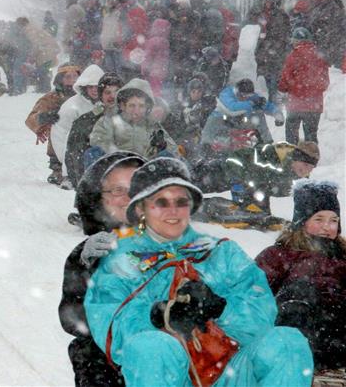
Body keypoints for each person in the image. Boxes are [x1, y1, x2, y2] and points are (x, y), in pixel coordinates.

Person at [84, 157, 314, 387]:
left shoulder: (223, 252)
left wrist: (222, 307)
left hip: (231, 372)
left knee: (287, 342)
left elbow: (262, 316)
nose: (172, 211)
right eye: (160, 202)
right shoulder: (121, 259)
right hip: (171, 374)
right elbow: (111, 329)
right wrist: (158, 315)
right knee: (151, 348)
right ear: (140, 208)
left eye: (181, 201)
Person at [60, 151, 146, 386]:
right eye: (117, 190)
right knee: (89, 350)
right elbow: (73, 319)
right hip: (112, 367)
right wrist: (87, 266)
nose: (129, 197)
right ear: (99, 199)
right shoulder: (89, 254)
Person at [256, 180, 346, 371]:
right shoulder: (278, 255)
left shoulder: (343, 257)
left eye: (334, 221)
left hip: (339, 336)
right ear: (301, 221)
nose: (327, 227)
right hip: (298, 334)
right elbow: (253, 292)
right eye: (319, 219)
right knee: (302, 290)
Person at [192, 140, 319, 214]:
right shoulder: (271, 155)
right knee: (190, 185)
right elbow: (236, 157)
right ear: (296, 158)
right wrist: (239, 179)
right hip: (220, 170)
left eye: (311, 168)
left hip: (233, 183)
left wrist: (261, 211)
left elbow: (266, 187)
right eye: (305, 164)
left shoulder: (299, 181)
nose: (306, 170)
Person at [86, 78, 178, 165]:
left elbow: (174, 151)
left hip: (146, 170)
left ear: (147, 108)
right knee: (93, 153)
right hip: (116, 168)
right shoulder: (109, 121)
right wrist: (119, 155)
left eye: (141, 106)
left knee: (167, 156)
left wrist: (161, 147)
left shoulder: (152, 125)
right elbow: (98, 141)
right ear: (122, 106)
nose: (136, 111)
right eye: (132, 106)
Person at [25, 63, 82, 186]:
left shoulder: (86, 96)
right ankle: (59, 169)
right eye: (68, 77)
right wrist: (44, 118)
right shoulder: (51, 98)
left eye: (75, 76)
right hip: (59, 142)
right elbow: (31, 118)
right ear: (60, 79)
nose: (72, 80)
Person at [63, 72, 124, 187]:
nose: (112, 96)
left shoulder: (135, 116)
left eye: (116, 92)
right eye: (107, 92)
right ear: (101, 96)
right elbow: (74, 154)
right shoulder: (86, 121)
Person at [199, 78, 282, 155]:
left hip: (241, 122)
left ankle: (266, 145)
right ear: (236, 91)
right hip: (223, 122)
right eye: (242, 96)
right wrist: (252, 103)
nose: (244, 98)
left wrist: (277, 114)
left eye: (247, 97)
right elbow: (232, 107)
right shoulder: (226, 93)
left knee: (259, 115)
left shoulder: (251, 98)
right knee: (212, 120)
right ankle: (205, 147)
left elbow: (267, 106)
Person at [278, 27, 330, 144]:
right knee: (311, 136)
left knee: (291, 135)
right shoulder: (319, 56)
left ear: (296, 41)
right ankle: (310, 159)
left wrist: (285, 88)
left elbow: (285, 79)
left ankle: (292, 158)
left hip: (295, 104)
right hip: (314, 105)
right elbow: (325, 83)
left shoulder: (293, 56)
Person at [255, 0, 290, 103]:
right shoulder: (262, 14)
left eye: (269, 1)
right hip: (264, 53)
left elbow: (281, 36)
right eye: (265, 0)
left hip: (275, 54)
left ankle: (272, 101)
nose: (266, 3)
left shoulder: (280, 16)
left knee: (273, 79)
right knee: (264, 79)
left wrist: (270, 47)